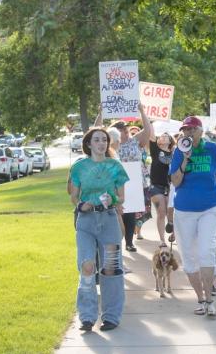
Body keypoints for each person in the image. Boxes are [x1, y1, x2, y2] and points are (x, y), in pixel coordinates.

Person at [70, 127, 129, 332]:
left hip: (109, 220)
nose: (101, 143)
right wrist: (80, 205)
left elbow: (121, 198)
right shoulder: (79, 168)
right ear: (88, 144)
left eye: (104, 140)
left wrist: (112, 198)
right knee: (87, 266)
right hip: (86, 222)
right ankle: (87, 316)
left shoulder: (115, 167)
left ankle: (111, 316)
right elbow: (73, 196)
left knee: (110, 269)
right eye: (96, 140)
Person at [170, 116, 216, 317]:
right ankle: (201, 299)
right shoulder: (178, 150)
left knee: (206, 250)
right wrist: (185, 158)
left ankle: (211, 301)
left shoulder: (211, 149)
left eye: (192, 129)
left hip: (209, 208)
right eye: (185, 130)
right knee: (189, 256)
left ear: (201, 131)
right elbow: (176, 182)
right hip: (185, 210)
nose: (188, 133)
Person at [112, 103, 151, 252]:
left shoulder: (135, 141)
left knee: (130, 213)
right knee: (118, 212)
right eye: (122, 130)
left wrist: (142, 111)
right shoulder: (112, 145)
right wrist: (100, 114)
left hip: (134, 182)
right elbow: (97, 130)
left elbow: (148, 131)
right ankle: (117, 242)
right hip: (117, 183)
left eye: (126, 129)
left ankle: (129, 242)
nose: (126, 132)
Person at [149, 129, 175, 244]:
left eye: (166, 136)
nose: (163, 137)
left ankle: (173, 231)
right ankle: (162, 240)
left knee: (172, 212)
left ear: (170, 141)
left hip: (171, 187)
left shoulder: (175, 154)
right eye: (161, 136)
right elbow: (151, 133)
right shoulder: (155, 150)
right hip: (156, 186)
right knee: (161, 212)